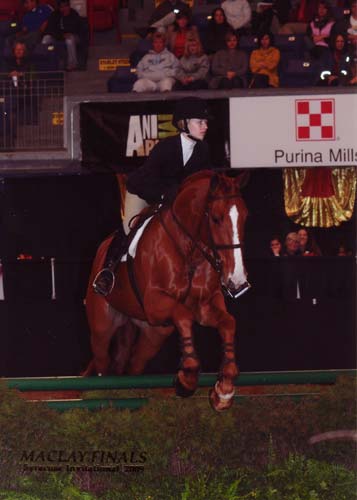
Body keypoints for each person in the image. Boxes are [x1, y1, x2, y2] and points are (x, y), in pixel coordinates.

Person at [93, 97, 212, 296]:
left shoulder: (203, 151)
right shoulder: (165, 148)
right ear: (184, 124)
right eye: (200, 122)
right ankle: (107, 272)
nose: (205, 126)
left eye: (206, 122)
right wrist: (166, 193)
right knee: (130, 228)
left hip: (174, 200)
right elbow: (147, 182)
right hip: (143, 192)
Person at [42, 0, 82, 71]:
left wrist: (68, 33)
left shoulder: (74, 14)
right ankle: (46, 63)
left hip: (73, 36)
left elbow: (78, 29)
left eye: (66, 6)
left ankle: (72, 64)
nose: (64, 8)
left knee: (69, 40)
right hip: (58, 36)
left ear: (69, 6)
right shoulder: (55, 14)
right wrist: (61, 35)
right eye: (62, 7)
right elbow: (50, 29)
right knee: (46, 39)